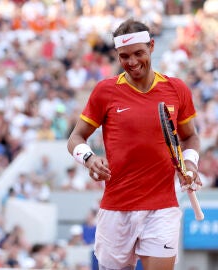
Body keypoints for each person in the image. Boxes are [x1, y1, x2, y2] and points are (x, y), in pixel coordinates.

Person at [67, 18, 201, 270]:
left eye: (139, 53)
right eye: (124, 56)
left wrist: (191, 164)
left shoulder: (176, 89)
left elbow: (190, 136)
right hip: (116, 207)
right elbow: (76, 137)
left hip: (162, 207)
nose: (132, 62)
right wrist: (89, 158)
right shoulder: (104, 91)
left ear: (151, 46)